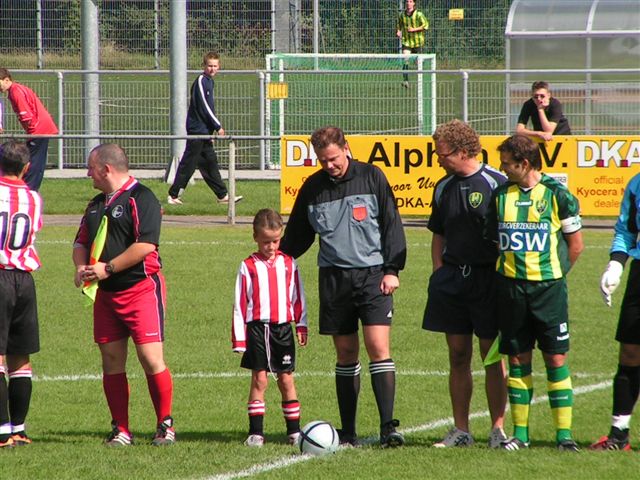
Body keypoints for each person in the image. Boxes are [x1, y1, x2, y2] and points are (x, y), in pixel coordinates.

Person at [280, 126, 407, 448]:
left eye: (333, 158)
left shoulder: (372, 177)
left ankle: (387, 428)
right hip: (334, 280)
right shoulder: (313, 188)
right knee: (346, 353)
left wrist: (392, 269)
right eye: (323, 160)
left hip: (374, 275)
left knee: (378, 347)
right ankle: (347, 432)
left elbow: (391, 223)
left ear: (346, 149)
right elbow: (298, 236)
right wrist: (273, 261)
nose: (329, 165)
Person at [72, 144, 175, 447]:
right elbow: (81, 242)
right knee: (111, 360)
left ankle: (165, 425)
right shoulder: (94, 204)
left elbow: (146, 245)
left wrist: (109, 268)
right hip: (106, 296)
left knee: (150, 358)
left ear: (106, 169)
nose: (87, 173)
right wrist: (81, 267)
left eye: (91, 168)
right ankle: (121, 429)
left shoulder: (141, 197)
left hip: (140, 289)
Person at [488, 134, 583, 451]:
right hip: (511, 290)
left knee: (556, 358)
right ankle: (521, 436)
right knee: (517, 359)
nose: (502, 169)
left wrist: (554, 275)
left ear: (524, 163)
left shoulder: (558, 195)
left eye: (506, 164)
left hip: (548, 291)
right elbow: (493, 242)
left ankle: (564, 436)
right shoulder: (501, 196)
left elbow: (576, 245)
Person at [422, 119, 508, 449]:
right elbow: (438, 232)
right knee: (457, 355)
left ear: (461, 151)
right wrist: (438, 272)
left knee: (491, 356)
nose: (437, 159)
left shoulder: (496, 183)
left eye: (441, 153)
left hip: (489, 280)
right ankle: (461, 430)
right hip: (452, 280)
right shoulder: (442, 186)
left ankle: (498, 429)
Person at [232, 208, 308, 447]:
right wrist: (239, 339)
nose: (271, 246)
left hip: (283, 329)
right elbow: (240, 303)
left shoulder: (289, 263)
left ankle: (294, 432)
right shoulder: (248, 266)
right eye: (266, 241)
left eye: (275, 241)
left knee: (286, 379)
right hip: (257, 329)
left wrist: (301, 323)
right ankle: (256, 433)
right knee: (260, 380)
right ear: (255, 237)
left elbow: (298, 296)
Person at [590, 172, 640, 451]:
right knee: (630, 352)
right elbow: (625, 230)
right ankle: (618, 435)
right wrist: (616, 265)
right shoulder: (637, 183)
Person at [0, 141, 43, 448]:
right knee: (20, 359)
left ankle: (2, 431)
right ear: (26, 168)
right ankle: (19, 428)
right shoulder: (33, 198)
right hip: (24, 280)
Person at [167, 51, 242, 206]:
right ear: (204, 66)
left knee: (210, 162)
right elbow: (204, 107)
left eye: (215, 66)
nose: (212, 69)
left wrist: (211, 131)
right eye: (209, 66)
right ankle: (173, 195)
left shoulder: (209, 81)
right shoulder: (202, 80)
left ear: (219, 67)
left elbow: (209, 108)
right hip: (197, 130)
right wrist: (218, 126)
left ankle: (222, 196)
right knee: (189, 163)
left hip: (204, 131)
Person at [0, 68, 58, 191]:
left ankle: (28, 191)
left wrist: (31, 133)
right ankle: (28, 189)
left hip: (39, 130)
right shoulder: (16, 89)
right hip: (41, 129)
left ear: (6, 80)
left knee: (32, 163)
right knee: (34, 161)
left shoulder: (15, 91)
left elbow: (26, 114)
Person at [396, 0, 429, 88]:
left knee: (418, 63)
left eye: (410, 1)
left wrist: (414, 29)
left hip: (418, 42)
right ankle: (405, 81)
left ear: (414, 3)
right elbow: (399, 25)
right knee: (405, 59)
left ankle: (420, 81)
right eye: (407, 1)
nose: (408, 3)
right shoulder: (402, 15)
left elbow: (426, 26)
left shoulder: (419, 14)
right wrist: (398, 31)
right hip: (406, 42)